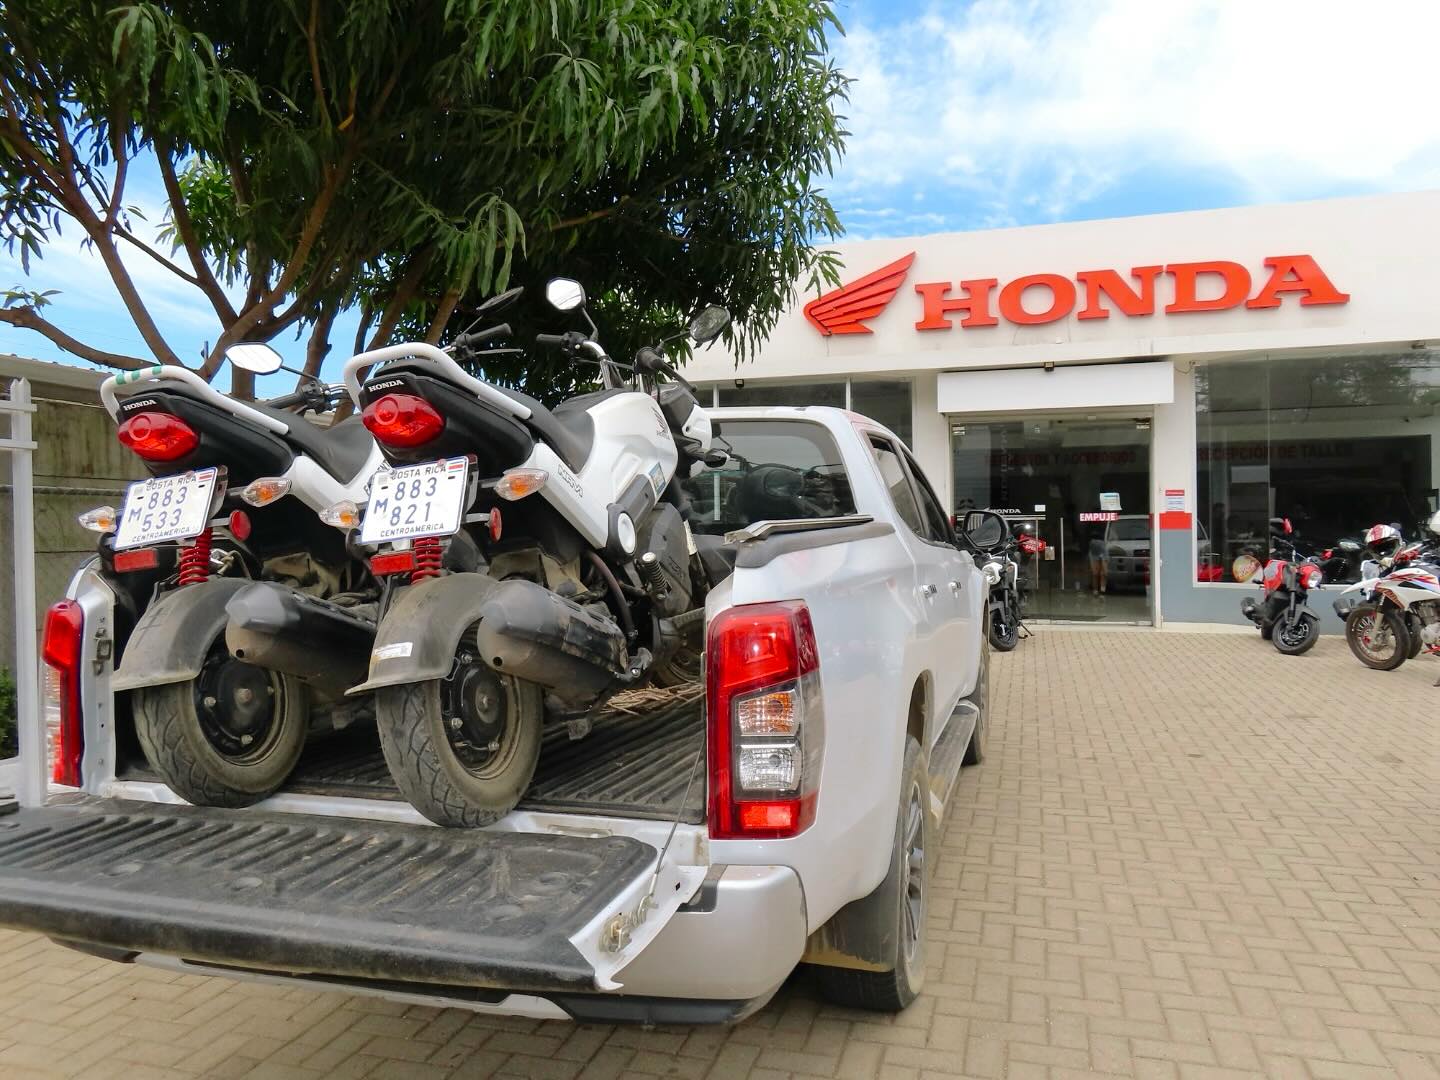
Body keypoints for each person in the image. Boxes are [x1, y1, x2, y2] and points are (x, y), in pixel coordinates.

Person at [1088, 530, 1108, 597]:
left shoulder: (1102, 545)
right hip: (1094, 555)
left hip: (1103, 553)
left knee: (1103, 574)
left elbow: (1104, 555)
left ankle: (1102, 590)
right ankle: (1096, 590)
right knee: (1095, 574)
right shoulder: (1092, 544)